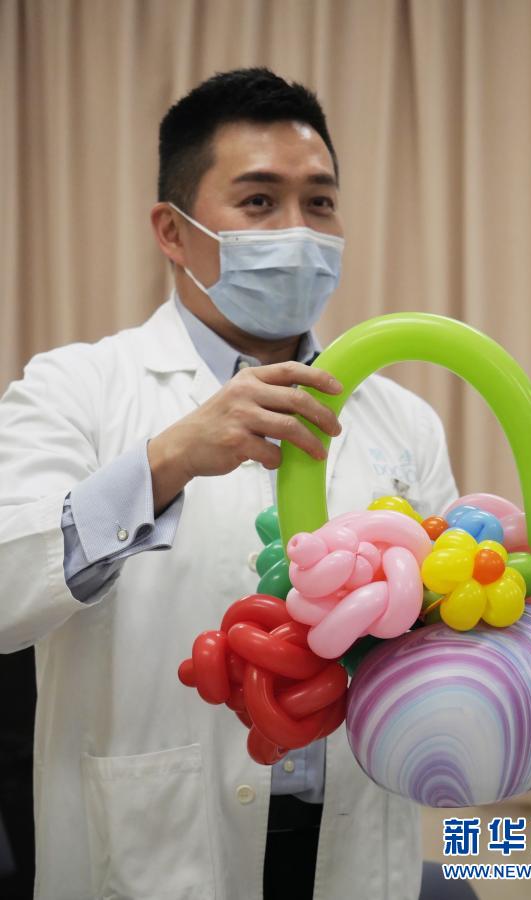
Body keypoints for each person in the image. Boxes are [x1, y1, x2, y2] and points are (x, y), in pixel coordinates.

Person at [0, 68, 457, 900]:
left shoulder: (404, 419)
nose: (300, 232)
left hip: (355, 840)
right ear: (172, 233)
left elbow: (428, 647)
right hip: (157, 841)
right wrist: (165, 462)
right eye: (259, 202)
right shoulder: (74, 389)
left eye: (320, 202)